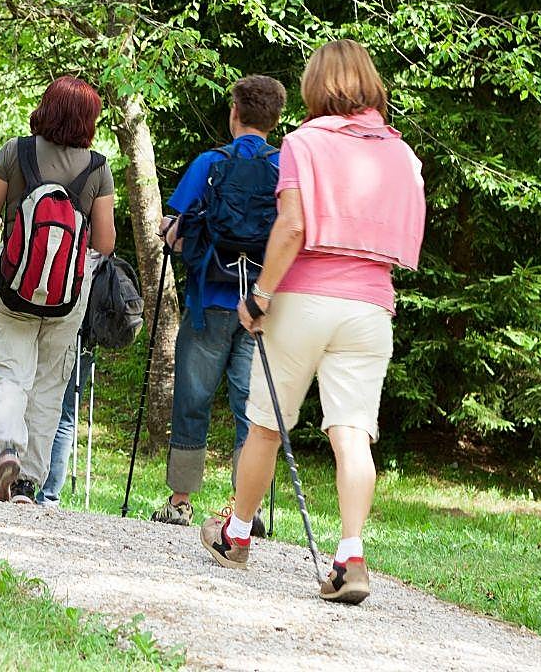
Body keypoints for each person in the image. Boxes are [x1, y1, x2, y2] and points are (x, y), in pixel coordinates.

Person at [199, 40, 425, 605]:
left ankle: (238, 534)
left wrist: (261, 295)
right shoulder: (402, 153)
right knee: (352, 432)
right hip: (372, 303)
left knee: (267, 424)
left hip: (304, 298)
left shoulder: (303, 143)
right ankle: (350, 555)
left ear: (315, 86)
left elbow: (294, 225)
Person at [150, 75, 286, 530]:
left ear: (234, 114)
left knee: (193, 396)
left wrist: (172, 234)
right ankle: (248, 508)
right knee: (252, 405)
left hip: (209, 298)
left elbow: (176, 228)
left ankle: (181, 500)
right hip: (262, 306)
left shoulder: (210, 163)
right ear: (275, 119)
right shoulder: (286, 169)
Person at [0, 76, 116, 504]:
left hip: (14, 285)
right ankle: (28, 481)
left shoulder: (15, 152)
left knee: (10, 372)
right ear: (88, 121)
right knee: (50, 384)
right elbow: (104, 244)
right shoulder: (98, 167)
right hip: (68, 295)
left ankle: (4, 450)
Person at [35, 326, 95, 507]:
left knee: (33, 402)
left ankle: (20, 484)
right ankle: (48, 495)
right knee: (66, 416)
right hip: (87, 334)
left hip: (52, 323)